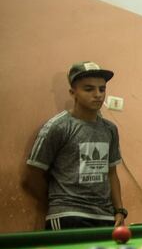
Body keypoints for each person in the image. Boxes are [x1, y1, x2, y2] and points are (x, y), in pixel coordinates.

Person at [22, 61, 127, 230]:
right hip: (68, 216)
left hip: (105, 216)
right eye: (89, 89)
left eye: (102, 89)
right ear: (73, 93)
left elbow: (112, 173)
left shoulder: (110, 129)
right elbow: (33, 174)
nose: (98, 94)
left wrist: (119, 210)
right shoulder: (58, 127)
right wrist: (59, 202)